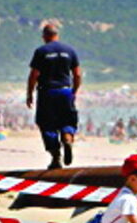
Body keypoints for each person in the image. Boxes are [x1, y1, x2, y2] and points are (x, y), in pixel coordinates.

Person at [26, 23, 81, 169]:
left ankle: (56, 157)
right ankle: (67, 138)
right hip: (65, 91)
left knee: (47, 124)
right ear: (57, 35)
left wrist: (29, 93)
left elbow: (34, 75)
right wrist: (74, 90)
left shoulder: (41, 51)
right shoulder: (70, 51)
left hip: (47, 92)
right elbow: (77, 74)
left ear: (44, 36)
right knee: (67, 120)